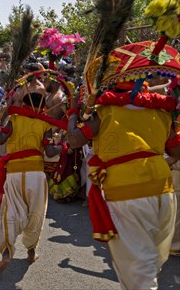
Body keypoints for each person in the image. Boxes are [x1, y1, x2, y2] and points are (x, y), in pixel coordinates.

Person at [67, 81, 179, 289]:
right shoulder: (161, 113)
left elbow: (73, 140)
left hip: (126, 191)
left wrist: (73, 110)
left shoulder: (104, 112)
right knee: (149, 261)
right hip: (164, 190)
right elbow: (176, 152)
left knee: (137, 267)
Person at [0, 92, 63, 276]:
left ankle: (6, 254)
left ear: (24, 104)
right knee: (36, 213)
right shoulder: (45, 123)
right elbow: (50, 152)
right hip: (36, 174)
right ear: (43, 107)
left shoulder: (15, 119)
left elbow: (1, 139)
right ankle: (31, 252)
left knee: (10, 212)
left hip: (14, 173)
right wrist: (64, 146)